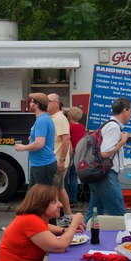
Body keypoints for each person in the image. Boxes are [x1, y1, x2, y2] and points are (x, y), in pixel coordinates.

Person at [0, 184, 84, 261]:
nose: (60, 205)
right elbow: (60, 246)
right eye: (54, 202)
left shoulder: (30, 218)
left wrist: (64, 230)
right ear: (41, 204)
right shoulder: (30, 220)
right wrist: (74, 222)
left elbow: (45, 227)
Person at [85, 97, 131, 223]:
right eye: (130, 111)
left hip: (99, 175)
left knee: (93, 216)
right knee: (120, 217)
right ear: (124, 110)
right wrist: (122, 142)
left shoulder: (107, 125)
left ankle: (83, 236)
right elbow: (105, 153)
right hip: (107, 176)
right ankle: (125, 240)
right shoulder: (113, 127)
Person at [15, 93, 56, 189]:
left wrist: (24, 147)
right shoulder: (44, 118)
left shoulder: (41, 121)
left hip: (42, 165)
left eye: (32, 102)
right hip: (40, 164)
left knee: (42, 198)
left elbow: (39, 144)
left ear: (37, 105)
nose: (30, 104)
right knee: (33, 197)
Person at [47, 93, 73, 226]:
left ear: (56, 103)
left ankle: (67, 216)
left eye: (49, 101)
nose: (46, 103)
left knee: (58, 189)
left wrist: (61, 160)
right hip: (55, 160)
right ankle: (67, 215)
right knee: (58, 188)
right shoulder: (53, 118)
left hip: (58, 160)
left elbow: (66, 139)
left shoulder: (60, 118)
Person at [64, 106, 85, 207]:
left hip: (69, 153)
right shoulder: (81, 127)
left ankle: (65, 200)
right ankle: (73, 199)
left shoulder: (68, 127)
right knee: (74, 178)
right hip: (78, 154)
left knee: (65, 178)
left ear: (69, 116)